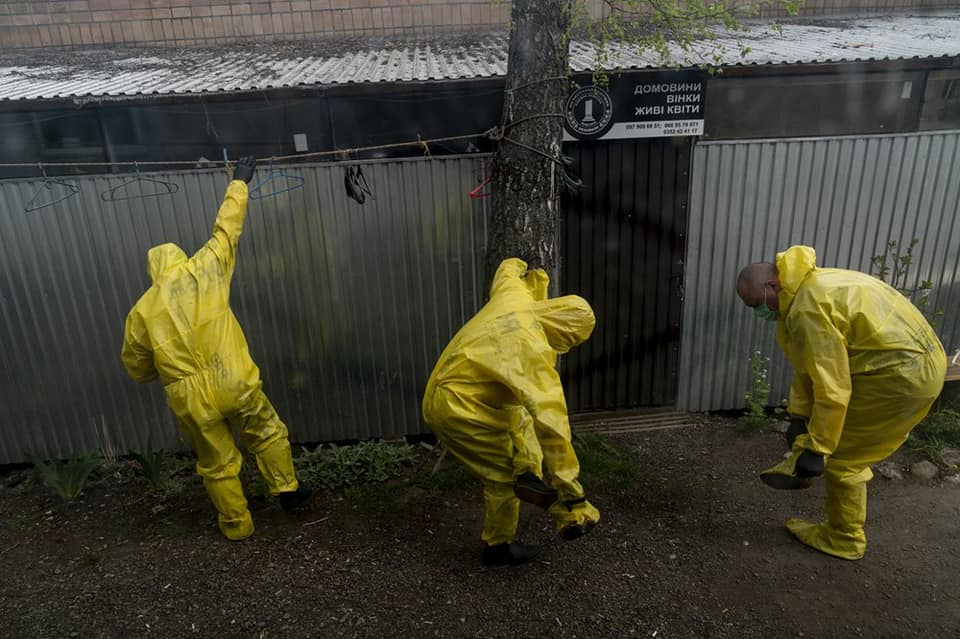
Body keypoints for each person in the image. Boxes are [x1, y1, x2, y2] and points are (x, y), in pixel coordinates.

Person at [121, 156, 312, 541]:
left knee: (216, 462)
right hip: (233, 378)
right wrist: (239, 181)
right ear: (178, 258)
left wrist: (170, 367)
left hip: (188, 397)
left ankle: (238, 526)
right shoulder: (201, 271)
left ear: (153, 272)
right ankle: (286, 488)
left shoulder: (140, 312)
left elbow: (138, 370)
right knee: (267, 432)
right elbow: (227, 229)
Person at [737, 245, 945, 560]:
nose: (757, 312)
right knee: (837, 435)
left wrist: (819, 449)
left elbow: (831, 386)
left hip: (900, 376)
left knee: (844, 458)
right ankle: (801, 460)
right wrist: (798, 415)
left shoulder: (808, 309)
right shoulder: (812, 285)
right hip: (916, 361)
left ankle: (843, 537)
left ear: (772, 286)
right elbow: (809, 366)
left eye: (755, 304)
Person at [422, 257, 600, 567]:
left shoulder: (514, 297)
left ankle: (529, 472)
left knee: (522, 416)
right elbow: (553, 425)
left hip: (459, 390)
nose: (565, 346)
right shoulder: (532, 349)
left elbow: (506, 271)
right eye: (570, 340)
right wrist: (570, 486)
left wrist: (530, 270)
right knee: (501, 479)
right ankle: (500, 546)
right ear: (563, 329)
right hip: (460, 409)